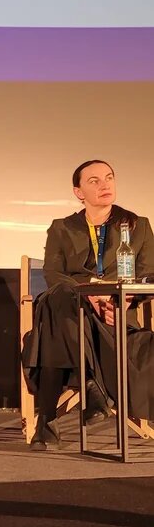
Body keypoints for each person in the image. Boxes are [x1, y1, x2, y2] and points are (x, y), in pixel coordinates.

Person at [23, 159, 154, 450]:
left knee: (49, 327)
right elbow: (53, 274)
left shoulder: (137, 225)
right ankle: (91, 385)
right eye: (94, 181)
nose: (105, 184)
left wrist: (126, 299)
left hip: (114, 317)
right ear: (78, 192)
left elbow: (150, 275)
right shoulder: (62, 228)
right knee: (58, 296)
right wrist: (89, 294)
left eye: (109, 177)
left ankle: (47, 423)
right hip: (72, 309)